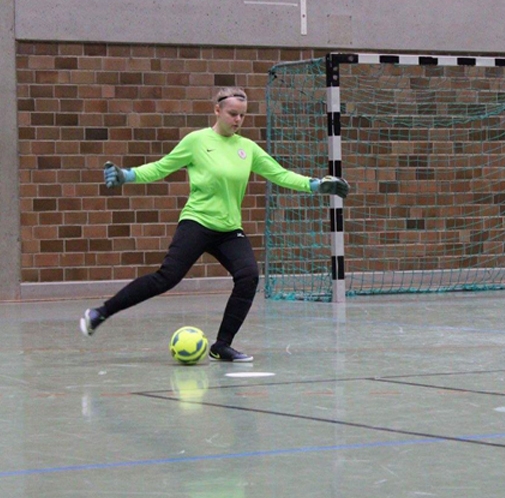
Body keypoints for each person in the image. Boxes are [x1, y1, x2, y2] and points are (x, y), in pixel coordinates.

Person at [79, 86, 349, 362]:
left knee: (248, 276)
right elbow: (162, 167)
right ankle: (100, 313)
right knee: (167, 277)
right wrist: (127, 175)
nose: (237, 120)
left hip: (229, 229)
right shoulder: (197, 141)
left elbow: (279, 174)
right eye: (232, 114)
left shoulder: (247, 148)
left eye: (242, 115)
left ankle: (222, 345)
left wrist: (315, 185)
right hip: (197, 222)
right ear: (217, 110)